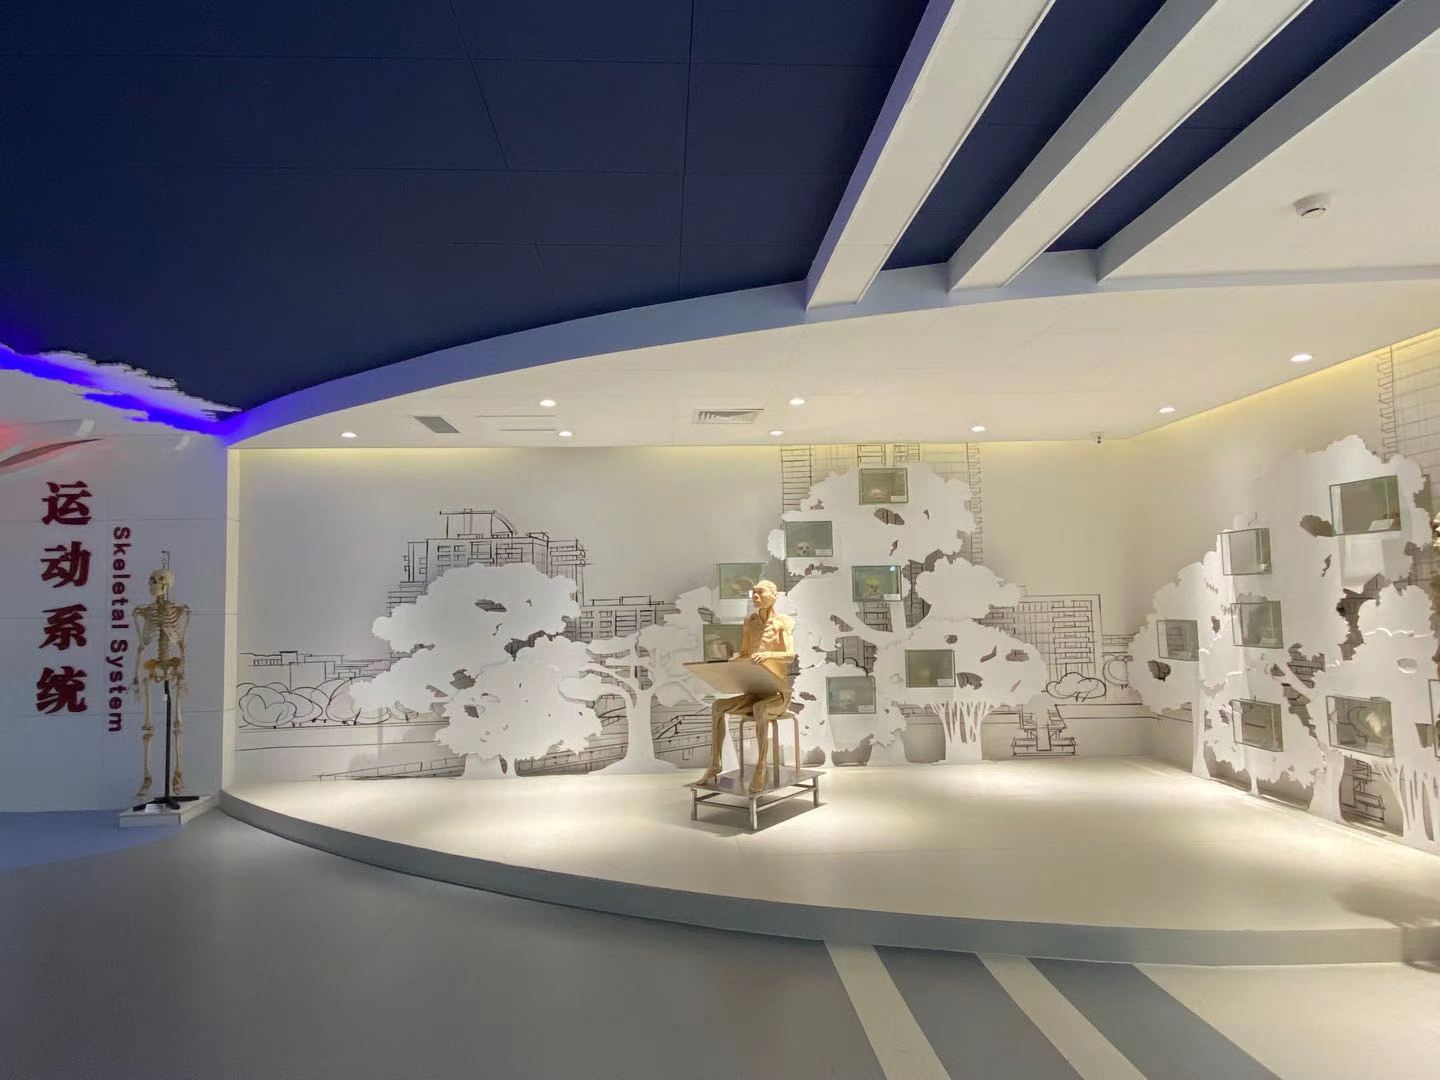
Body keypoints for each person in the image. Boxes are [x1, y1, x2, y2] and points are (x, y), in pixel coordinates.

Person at [700, 579, 795, 793]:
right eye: (754, 593)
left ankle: (761, 767)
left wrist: (768, 654)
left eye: (761, 592)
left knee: (760, 708)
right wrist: (731, 662)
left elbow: (790, 655)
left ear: (774, 596)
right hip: (754, 691)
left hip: (778, 694)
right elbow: (744, 653)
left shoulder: (783, 622)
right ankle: (715, 763)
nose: (756, 596)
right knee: (718, 706)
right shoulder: (749, 622)